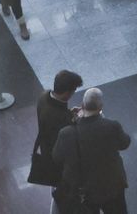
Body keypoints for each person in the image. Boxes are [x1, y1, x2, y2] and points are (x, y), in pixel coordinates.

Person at [55, 88, 131, 214]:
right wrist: (103, 119)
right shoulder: (112, 126)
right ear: (100, 107)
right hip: (112, 186)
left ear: (82, 105)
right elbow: (125, 143)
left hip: (84, 191)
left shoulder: (66, 133)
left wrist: (71, 121)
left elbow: (57, 157)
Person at [28, 69, 82, 197]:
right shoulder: (58, 118)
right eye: (73, 90)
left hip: (46, 147)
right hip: (57, 158)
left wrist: (69, 113)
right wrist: (75, 120)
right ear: (67, 92)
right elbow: (66, 137)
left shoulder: (44, 96)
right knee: (64, 183)